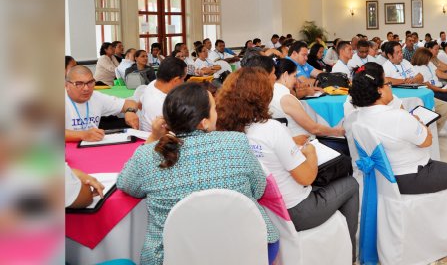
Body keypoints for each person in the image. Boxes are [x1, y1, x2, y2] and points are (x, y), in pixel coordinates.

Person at [117, 83, 279, 265]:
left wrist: (153, 138)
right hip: (245, 248)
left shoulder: (148, 155)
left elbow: (126, 184)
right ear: (204, 121)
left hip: (170, 257)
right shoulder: (237, 142)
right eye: (215, 109)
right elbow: (258, 189)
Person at [216, 68, 360, 262]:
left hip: (260, 211)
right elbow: (307, 177)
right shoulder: (270, 129)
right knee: (351, 185)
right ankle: (348, 255)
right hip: (295, 212)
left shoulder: (226, 131)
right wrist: (310, 152)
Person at [344, 66, 447, 215]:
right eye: (388, 84)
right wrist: (419, 123)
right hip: (409, 175)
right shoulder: (398, 116)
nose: (390, 88)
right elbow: (427, 142)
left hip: (378, 176)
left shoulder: (353, 118)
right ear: (379, 90)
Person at [271, 59, 347, 151]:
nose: (295, 81)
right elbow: (314, 129)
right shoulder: (286, 98)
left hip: (290, 142)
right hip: (303, 145)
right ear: (286, 75)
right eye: (294, 76)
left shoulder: (271, 94)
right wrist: (338, 132)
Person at [382, 41, 447, 131]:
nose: (401, 54)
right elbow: (386, 80)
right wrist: (403, 81)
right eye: (397, 53)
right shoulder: (385, 67)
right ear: (389, 55)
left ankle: (432, 133)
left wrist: (413, 80)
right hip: (406, 100)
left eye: (401, 51)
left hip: (421, 94)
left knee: (445, 108)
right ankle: (422, 134)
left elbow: (420, 77)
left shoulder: (405, 62)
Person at [65, 65, 139, 142]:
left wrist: (130, 111)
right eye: (79, 84)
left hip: (91, 145)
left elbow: (130, 103)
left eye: (90, 82)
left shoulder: (97, 97)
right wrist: (83, 135)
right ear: (67, 85)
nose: (86, 88)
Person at [138, 57, 186, 132]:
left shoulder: (154, 83)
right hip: (157, 139)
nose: (184, 82)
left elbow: (139, 104)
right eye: (183, 79)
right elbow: (177, 133)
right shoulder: (163, 105)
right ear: (176, 80)